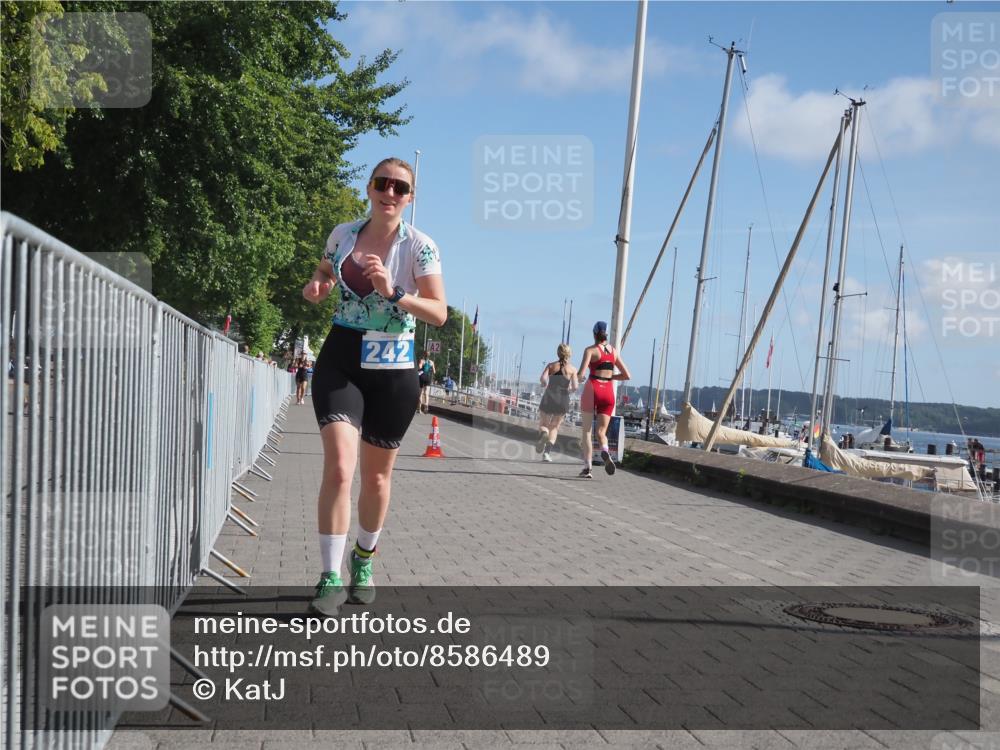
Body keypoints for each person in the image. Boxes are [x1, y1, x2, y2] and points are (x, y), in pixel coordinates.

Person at [302, 156, 446, 616]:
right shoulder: (343, 234)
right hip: (342, 356)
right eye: (383, 183)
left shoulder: (420, 247)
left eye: (400, 188)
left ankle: (363, 559)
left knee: (377, 477)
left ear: (410, 198)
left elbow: (439, 312)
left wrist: (394, 292)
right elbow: (325, 270)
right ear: (369, 188)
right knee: (340, 468)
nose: (390, 192)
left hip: (394, 366)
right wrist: (318, 285)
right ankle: (329, 576)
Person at [576, 321, 631, 479]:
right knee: (601, 432)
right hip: (608, 392)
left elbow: (580, 374)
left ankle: (587, 468)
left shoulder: (590, 350)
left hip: (592, 389)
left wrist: (578, 378)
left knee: (587, 431)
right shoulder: (614, 351)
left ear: (594, 334)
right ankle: (605, 451)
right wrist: (611, 377)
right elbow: (627, 375)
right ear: (606, 334)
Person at [535, 344, 578, 463]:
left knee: (544, 424)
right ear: (569, 354)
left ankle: (544, 434)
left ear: (558, 353)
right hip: (563, 399)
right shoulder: (572, 369)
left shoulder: (550, 366)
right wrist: (568, 390)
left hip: (549, 397)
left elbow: (543, 379)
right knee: (554, 427)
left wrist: (544, 384)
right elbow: (575, 387)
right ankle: (546, 454)